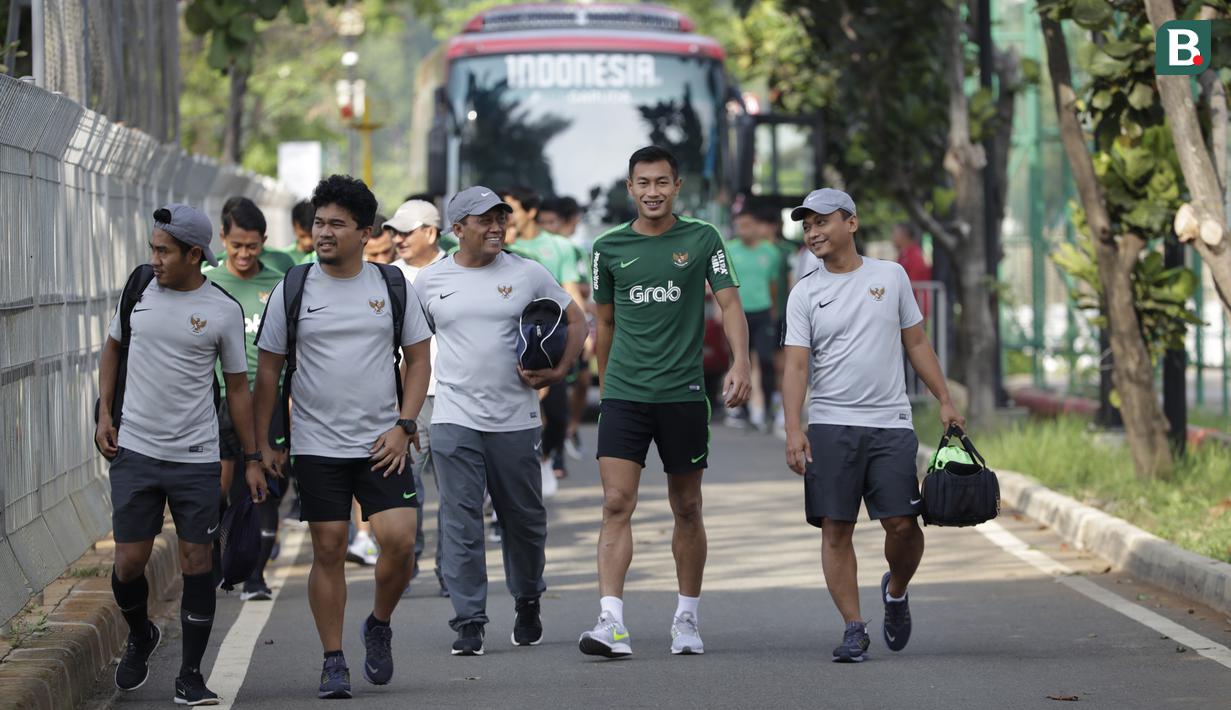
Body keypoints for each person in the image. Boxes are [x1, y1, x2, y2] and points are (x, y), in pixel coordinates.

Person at [253, 175, 433, 698]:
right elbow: (268, 372)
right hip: (317, 445)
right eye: (319, 222)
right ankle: (333, 659)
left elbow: (419, 360)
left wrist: (405, 424)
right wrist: (264, 444)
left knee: (400, 543)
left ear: (365, 232)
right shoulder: (294, 287)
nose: (324, 232)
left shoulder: (390, 286)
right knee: (329, 547)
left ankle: (379, 623)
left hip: (382, 443)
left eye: (337, 224)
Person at [579, 146, 751, 658]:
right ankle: (611, 622)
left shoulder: (703, 238)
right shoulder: (607, 248)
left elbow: (730, 303)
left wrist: (741, 362)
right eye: (643, 183)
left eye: (661, 182)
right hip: (625, 395)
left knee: (687, 507)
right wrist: (606, 385)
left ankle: (686, 618)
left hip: (683, 395)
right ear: (630, 188)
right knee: (616, 503)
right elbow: (604, 322)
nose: (652, 192)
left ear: (676, 187)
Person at [781, 188, 963, 663]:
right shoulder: (805, 293)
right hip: (830, 424)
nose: (813, 233)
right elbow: (796, 365)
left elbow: (916, 342)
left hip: (890, 423)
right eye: (807, 226)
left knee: (902, 526)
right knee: (835, 528)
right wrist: (794, 428)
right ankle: (854, 627)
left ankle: (896, 591)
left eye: (822, 222)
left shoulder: (891, 276)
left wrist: (945, 400)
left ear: (851, 223)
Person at [96, 203, 265, 705]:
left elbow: (238, 389)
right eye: (153, 249)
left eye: (164, 252)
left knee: (197, 561)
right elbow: (112, 349)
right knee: (129, 563)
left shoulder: (222, 310)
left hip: (196, 457)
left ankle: (190, 675)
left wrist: (252, 457)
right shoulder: (139, 289)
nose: (155, 260)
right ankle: (141, 633)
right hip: (136, 451)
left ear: (194, 255)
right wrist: (104, 414)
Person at [414, 186, 587, 656]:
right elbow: (411, 348)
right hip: (453, 416)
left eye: (500, 219)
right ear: (457, 229)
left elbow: (577, 321)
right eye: (484, 220)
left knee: (524, 520)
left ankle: (527, 598)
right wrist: (405, 413)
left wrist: (559, 370)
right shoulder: (429, 281)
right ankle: (469, 619)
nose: (496, 227)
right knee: (460, 520)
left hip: (515, 418)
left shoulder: (527, 272)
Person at [205, 197, 287, 602]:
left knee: (266, 483)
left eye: (252, 246)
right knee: (219, 487)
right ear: (222, 238)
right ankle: (218, 563)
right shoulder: (204, 282)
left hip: (268, 399)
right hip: (218, 399)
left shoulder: (278, 284)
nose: (244, 254)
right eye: (236, 245)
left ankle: (256, 576)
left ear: (264, 242)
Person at [383, 199, 450, 596]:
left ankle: (451, 571)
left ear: (430, 232)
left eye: (406, 232)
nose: (398, 239)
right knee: (408, 487)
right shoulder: (389, 277)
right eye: (394, 232)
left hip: (456, 397)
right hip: (409, 399)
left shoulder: (456, 269)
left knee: (454, 492)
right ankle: (407, 564)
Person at [502, 187, 585, 482]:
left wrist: (584, 334)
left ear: (531, 211)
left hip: (550, 341)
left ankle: (549, 454)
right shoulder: (498, 246)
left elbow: (571, 291)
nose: (506, 219)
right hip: (509, 340)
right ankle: (515, 473)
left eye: (512, 210)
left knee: (556, 411)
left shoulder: (558, 247)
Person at [727, 208, 784, 431]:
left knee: (767, 360)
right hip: (738, 314)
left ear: (756, 226)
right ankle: (742, 410)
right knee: (739, 360)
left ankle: (769, 408)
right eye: (739, 226)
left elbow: (773, 284)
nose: (743, 230)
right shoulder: (729, 249)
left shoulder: (771, 252)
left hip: (762, 312)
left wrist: (773, 311)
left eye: (747, 225)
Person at [281, 200, 317, 264]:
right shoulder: (283, 257)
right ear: (294, 227)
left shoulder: (326, 256)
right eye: (302, 236)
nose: (308, 242)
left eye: (311, 236)